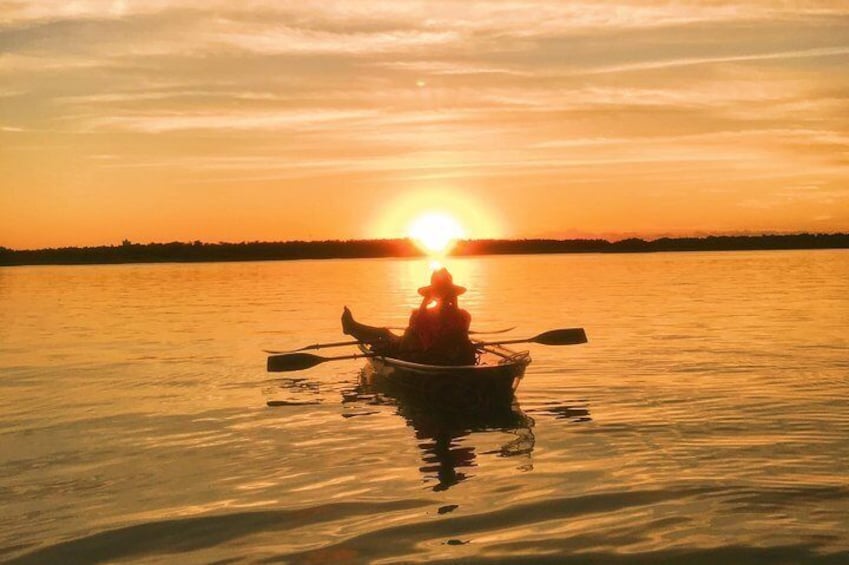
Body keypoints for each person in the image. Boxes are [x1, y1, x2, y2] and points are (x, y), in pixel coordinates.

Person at [341, 268, 477, 365]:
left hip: (426, 357)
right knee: (388, 334)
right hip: (452, 358)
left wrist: (424, 303)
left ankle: (352, 328)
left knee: (387, 336)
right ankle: (352, 327)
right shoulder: (464, 316)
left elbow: (416, 327)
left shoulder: (422, 314)